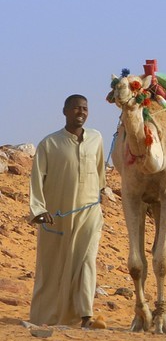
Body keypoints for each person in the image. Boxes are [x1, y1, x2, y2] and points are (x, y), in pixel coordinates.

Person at [28, 94, 109, 328]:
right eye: (75, 108)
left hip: (90, 213)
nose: (81, 112)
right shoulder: (49, 144)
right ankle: (47, 315)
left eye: (84, 108)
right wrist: (38, 210)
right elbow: (36, 180)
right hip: (57, 217)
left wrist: (99, 195)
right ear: (65, 111)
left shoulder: (96, 138)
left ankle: (85, 315)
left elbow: (100, 172)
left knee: (86, 260)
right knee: (54, 266)